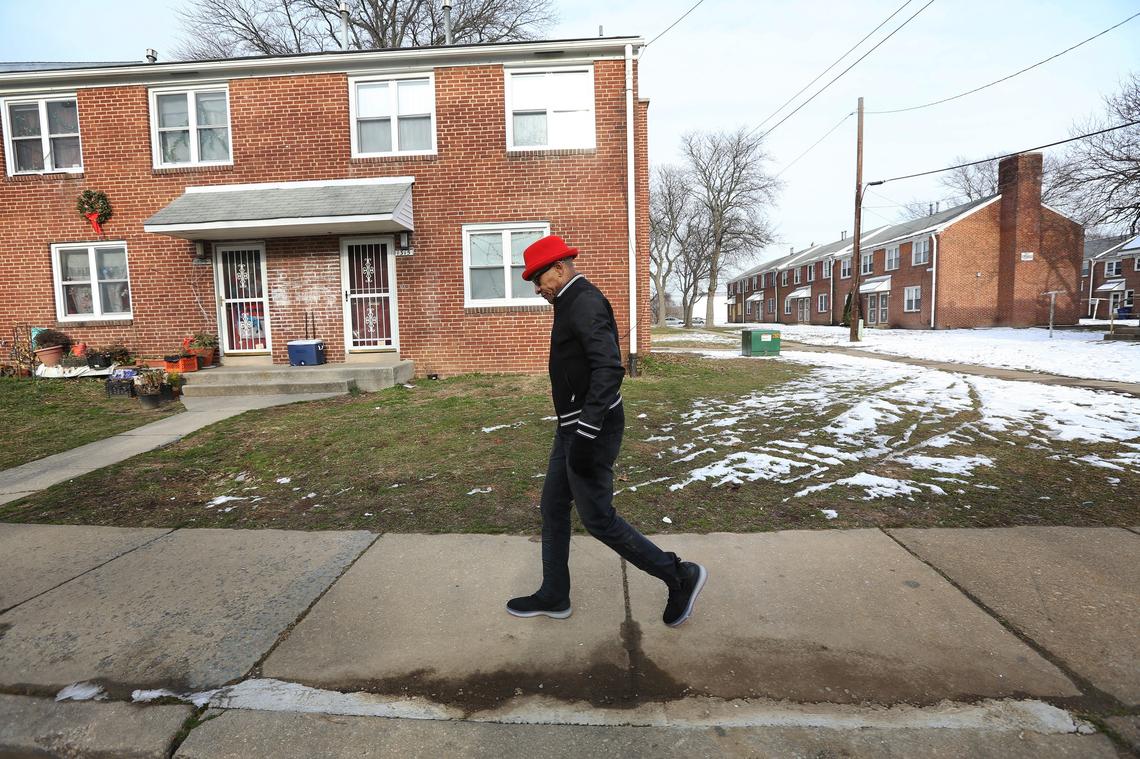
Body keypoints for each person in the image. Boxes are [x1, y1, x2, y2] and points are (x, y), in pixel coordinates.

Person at [506, 234, 707, 627]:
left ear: (559, 268)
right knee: (552, 507)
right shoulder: (569, 301)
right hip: (573, 428)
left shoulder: (584, 302)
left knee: (598, 519)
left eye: (538, 278)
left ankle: (679, 575)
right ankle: (554, 593)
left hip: (589, 430)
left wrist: (585, 431)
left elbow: (609, 369)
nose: (536, 288)